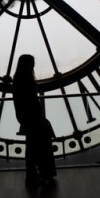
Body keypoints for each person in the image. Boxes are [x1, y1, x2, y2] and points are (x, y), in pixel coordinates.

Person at [12, 54, 57, 188]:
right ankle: (44, 172)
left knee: (32, 147)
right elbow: (33, 101)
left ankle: (32, 175)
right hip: (34, 118)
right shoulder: (28, 80)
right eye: (32, 63)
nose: (33, 66)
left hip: (27, 118)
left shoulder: (18, 80)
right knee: (41, 146)